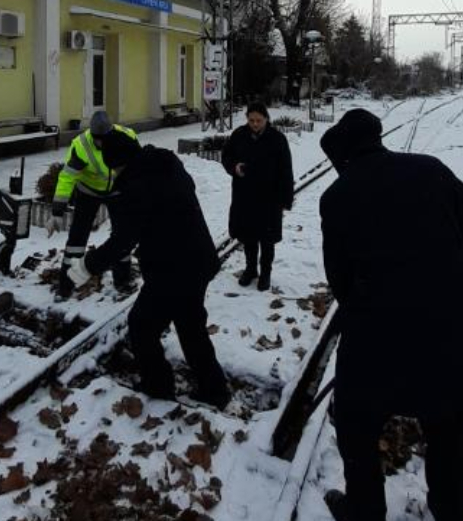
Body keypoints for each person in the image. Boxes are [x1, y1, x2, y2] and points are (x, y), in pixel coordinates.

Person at [318, 109, 463, 521]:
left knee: (357, 421)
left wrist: (377, 291)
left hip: (377, 329)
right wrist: (441, 269)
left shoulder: (337, 196)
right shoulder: (430, 170)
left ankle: (364, 510)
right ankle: (451, 510)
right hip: (451, 321)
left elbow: (339, 279)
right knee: (446, 419)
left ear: (342, 154)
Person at [65, 130, 231, 409]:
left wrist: (85, 267)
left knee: (142, 325)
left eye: (114, 167)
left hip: (172, 269)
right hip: (198, 258)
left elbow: (122, 241)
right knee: (190, 326)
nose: (114, 173)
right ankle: (215, 390)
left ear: (120, 162)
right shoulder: (167, 162)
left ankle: (158, 386)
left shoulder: (136, 186)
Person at [47, 111, 139, 298]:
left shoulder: (127, 136)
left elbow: (138, 166)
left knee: (122, 236)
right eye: (98, 139)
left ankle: (123, 281)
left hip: (117, 191)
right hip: (88, 192)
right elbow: (67, 178)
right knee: (77, 238)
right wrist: (57, 211)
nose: (101, 143)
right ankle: (66, 285)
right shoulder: (81, 146)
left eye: (105, 139)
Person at [221, 102, 294, 291]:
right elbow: (226, 156)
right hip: (245, 195)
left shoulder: (277, 139)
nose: (254, 124)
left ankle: (266, 273)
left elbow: (286, 170)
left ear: (266, 119)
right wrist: (234, 167)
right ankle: (250, 269)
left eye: (259, 120)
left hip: (269, 197)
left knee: (267, 239)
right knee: (248, 236)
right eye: (251, 120)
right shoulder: (239, 135)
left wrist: (286, 199)